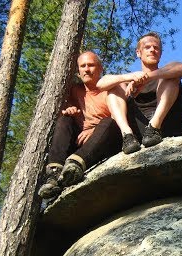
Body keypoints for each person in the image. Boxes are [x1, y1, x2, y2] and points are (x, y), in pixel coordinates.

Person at [38, 51, 140, 199]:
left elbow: (121, 114)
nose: (86, 69)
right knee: (64, 120)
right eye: (83, 66)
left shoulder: (113, 87)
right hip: (79, 142)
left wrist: (93, 130)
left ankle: (75, 165)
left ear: (100, 69)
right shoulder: (73, 90)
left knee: (109, 121)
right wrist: (69, 110)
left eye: (91, 65)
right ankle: (55, 173)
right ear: (78, 71)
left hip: (106, 142)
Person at [96, 31, 182, 148]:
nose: (152, 50)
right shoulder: (129, 81)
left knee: (169, 78)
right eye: (147, 47)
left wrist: (147, 77)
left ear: (160, 53)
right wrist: (129, 77)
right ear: (138, 53)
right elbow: (100, 84)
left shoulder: (167, 73)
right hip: (139, 134)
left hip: (168, 128)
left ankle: (154, 127)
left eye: (156, 47)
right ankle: (127, 135)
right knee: (115, 86)